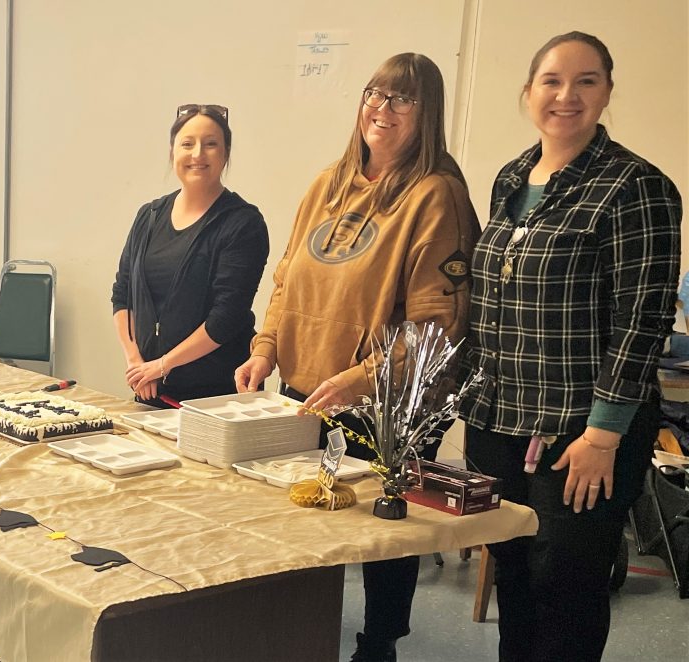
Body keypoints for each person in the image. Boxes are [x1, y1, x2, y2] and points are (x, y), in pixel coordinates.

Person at [234, 54, 480, 662]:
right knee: (303, 519)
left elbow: (437, 325)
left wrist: (365, 377)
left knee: (379, 534)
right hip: (308, 386)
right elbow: (288, 277)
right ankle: (298, 632)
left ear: (428, 114)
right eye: (374, 94)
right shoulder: (328, 182)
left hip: (388, 403)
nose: (382, 109)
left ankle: (379, 645)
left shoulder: (436, 196)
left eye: (402, 100)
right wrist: (266, 347)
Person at [460, 32, 682, 662]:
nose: (567, 95)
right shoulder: (511, 177)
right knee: (515, 578)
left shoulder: (636, 186)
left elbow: (643, 318)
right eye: (552, 81)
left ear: (607, 92)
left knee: (567, 587)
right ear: (528, 92)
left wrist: (603, 435)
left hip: (582, 435)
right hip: (499, 421)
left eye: (586, 81)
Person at [112, 104, 269, 407]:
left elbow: (226, 318)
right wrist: (137, 364)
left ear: (225, 154)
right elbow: (122, 294)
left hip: (219, 393)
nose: (198, 154)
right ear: (173, 152)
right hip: (150, 387)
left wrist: (162, 365)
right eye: (187, 144)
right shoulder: (149, 216)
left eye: (211, 144)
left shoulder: (243, 223)